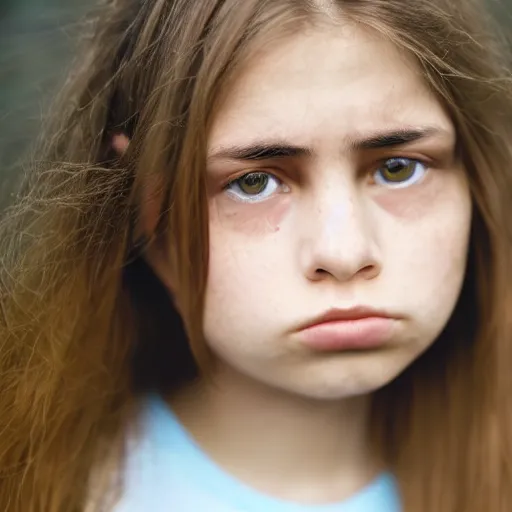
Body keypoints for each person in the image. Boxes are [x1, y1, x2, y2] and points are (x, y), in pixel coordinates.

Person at [1, 0, 512, 510]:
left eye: (398, 168)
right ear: (144, 211)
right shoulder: (38, 487)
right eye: (254, 182)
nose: (344, 252)